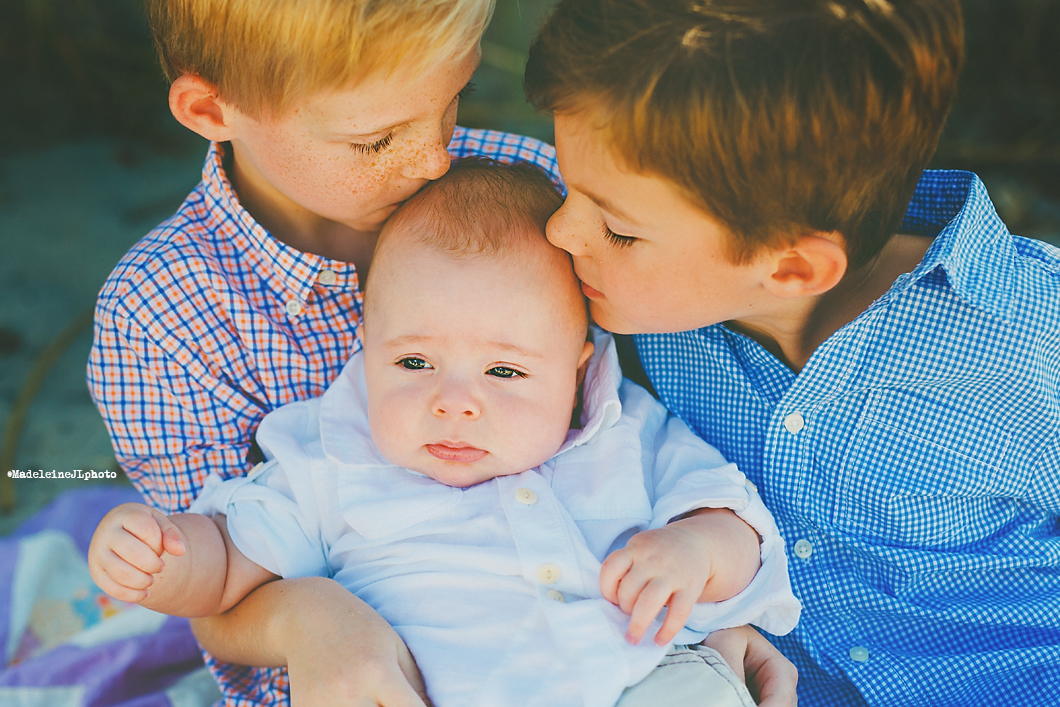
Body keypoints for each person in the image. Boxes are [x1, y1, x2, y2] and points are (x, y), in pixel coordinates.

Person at [88, 160, 801, 707]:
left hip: (643, 675)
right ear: (365, 345)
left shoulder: (627, 431)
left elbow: (736, 523)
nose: (454, 403)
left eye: (504, 370)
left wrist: (693, 546)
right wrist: (165, 555)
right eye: (415, 361)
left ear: (577, 367)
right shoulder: (329, 457)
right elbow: (227, 565)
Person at [522, 0, 1060, 705]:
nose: (561, 231)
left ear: (792, 270)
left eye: (617, 230)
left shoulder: (1032, 333)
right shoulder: (649, 303)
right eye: (570, 189)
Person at [85, 0, 568, 704]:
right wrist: (306, 620)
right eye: (375, 140)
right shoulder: (159, 316)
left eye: (453, 98)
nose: (435, 158)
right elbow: (214, 585)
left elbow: (647, 411)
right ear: (212, 110)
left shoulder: (534, 191)